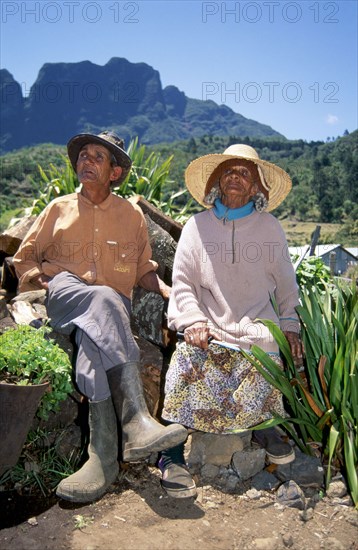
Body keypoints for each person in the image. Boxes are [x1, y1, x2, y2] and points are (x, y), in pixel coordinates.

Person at [13, 130, 187, 503]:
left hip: (109, 311)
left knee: (101, 323)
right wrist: (45, 279)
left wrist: (168, 291)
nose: (86, 161)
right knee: (102, 299)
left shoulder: (131, 216)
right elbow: (23, 259)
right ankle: (135, 422)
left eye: (97, 157)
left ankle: (101, 460)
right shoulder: (57, 209)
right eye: (83, 156)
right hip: (66, 299)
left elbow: (143, 269)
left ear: (115, 172)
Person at [158, 144, 303, 499]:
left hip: (255, 327)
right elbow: (183, 283)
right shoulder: (197, 226)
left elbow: (287, 284)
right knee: (185, 360)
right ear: (217, 182)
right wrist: (192, 320)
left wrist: (291, 326)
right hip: (210, 328)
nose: (235, 177)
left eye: (244, 173)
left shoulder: (270, 228)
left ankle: (263, 425)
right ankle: (171, 452)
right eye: (229, 171)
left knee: (267, 352)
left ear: (256, 188)